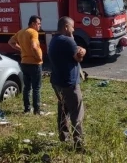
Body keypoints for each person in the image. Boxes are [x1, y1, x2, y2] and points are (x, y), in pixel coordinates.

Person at [48, 17, 86, 151]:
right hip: (69, 83)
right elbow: (78, 57)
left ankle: (64, 137)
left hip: (57, 82)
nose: (74, 29)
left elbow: (71, 50)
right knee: (77, 112)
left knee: (63, 109)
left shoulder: (54, 39)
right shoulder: (68, 40)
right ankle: (79, 144)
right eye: (72, 27)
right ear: (65, 27)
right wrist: (83, 51)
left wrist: (75, 46)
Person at [9, 15, 44, 114]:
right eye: (38, 24)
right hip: (34, 63)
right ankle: (37, 110)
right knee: (36, 88)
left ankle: (27, 109)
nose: (39, 26)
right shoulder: (33, 32)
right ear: (33, 24)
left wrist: (21, 49)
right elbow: (34, 46)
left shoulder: (21, 32)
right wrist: (39, 57)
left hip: (24, 63)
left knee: (27, 87)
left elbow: (11, 42)